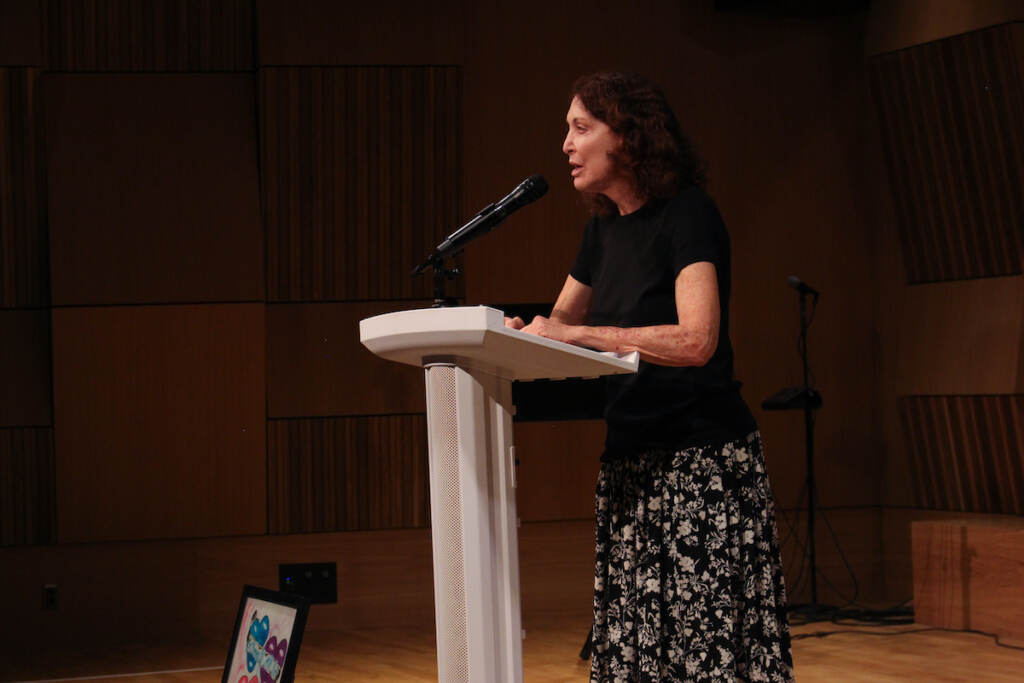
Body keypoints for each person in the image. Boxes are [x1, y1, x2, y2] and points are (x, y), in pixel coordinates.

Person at [506, 72, 793, 682]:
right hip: (631, 465)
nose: (565, 143)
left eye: (581, 128)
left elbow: (696, 340)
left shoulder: (687, 215)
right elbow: (559, 327)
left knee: (704, 655)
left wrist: (574, 335)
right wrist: (514, 336)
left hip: (702, 466)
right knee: (639, 654)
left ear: (629, 138)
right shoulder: (601, 231)